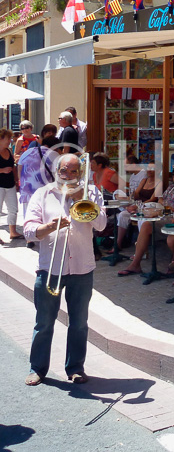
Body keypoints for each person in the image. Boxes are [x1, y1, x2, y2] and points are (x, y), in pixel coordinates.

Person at [22, 153, 107, 386]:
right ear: (56, 172)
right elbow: (28, 230)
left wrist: (84, 201)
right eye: (64, 171)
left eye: (74, 171)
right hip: (50, 268)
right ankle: (37, 368)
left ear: (80, 173)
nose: (68, 176)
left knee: (79, 322)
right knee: (44, 322)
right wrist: (47, 227)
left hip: (81, 267)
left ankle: (75, 368)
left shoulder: (92, 193)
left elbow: (101, 225)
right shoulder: (43, 194)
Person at [116, 170, 162, 276]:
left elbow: (153, 199)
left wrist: (138, 206)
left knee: (142, 220)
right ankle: (118, 244)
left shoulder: (160, 182)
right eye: (148, 168)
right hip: (138, 206)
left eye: (152, 168)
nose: (149, 171)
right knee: (123, 214)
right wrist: (132, 196)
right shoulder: (144, 180)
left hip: (148, 208)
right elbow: (136, 194)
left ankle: (142, 250)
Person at [18, 135, 61, 230]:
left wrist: (21, 184)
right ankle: (42, 234)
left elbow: (19, 168)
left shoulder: (27, 152)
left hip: (27, 189)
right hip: (44, 191)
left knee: (29, 213)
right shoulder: (54, 155)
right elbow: (57, 174)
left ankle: (29, 238)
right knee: (44, 214)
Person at [0, 128, 22, 242]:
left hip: (10, 185)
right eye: (8, 138)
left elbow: (13, 167)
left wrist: (16, 180)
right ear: (1, 139)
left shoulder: (8, 151)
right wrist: (2, 170)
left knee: (13, 208)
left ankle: (13, 232)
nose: (10, 140)